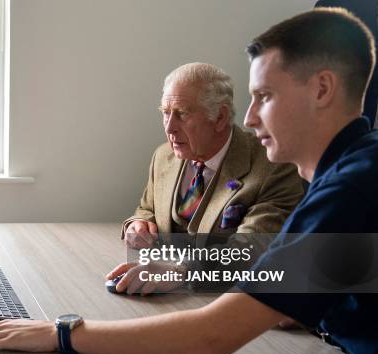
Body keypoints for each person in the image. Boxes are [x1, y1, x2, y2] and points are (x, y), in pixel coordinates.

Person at [0, 8, 378, 354]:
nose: (248, 118)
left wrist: (59, 332)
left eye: (263, 96)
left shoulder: (351, 188)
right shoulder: (355, 172)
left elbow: (211, 338)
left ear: (322, 89)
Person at [122, 64, 303, 253]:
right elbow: (147, 209)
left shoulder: (274, 166)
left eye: (182, 113)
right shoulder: (162, 156)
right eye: (166, 113)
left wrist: (182, 272)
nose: (169, 128)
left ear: (220, 118)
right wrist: (139, 223)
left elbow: (249, 249)